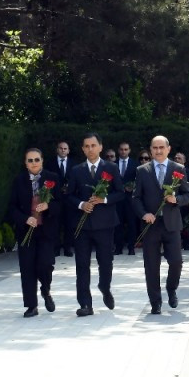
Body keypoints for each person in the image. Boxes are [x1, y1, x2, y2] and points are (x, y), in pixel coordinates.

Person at [132, 136, 189, 313]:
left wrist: (176, 199)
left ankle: (171, 289)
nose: (158, 151)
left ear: (168, 149)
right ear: (150, 150)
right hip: (150, 226)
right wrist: (144, 214)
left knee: (176, 262)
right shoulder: (142, 170)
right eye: (155, 148)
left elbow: (188, 196)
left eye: (161, 147)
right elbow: (136, 198)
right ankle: (155, 302)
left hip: (171, 224)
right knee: (151, 265)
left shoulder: (178, 169)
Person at [67, 133, 124, 317]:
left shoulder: (112, 168)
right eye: (86, 146)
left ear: (100, 146)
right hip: (82, 226)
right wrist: (81, 204)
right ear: (83, 149)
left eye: (93, 145)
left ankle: (105, 287)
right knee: (82, 265)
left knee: (106, 263)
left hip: (105, 224)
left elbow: (121, 193)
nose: (90, 149)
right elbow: (69, 195)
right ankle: (85, 304)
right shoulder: (76, 170)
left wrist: (104, 199)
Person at [9, 148, 61, 317]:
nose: (34, 163)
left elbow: (62, 204)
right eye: (30, 160)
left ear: (42, 160)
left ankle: (45, 291)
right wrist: (25, 218)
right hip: (26, 231)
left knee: (45, 264)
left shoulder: (52, 178)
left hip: (46, 230)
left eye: (36, 159)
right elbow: (12, 207)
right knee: (27, 268)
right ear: (25, 163)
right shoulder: (18, 181)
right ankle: (31, 305)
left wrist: (48, 206)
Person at [44, 141, 74, 257]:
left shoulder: (73, 164)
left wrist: (69, 188)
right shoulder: (50, 164)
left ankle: (67, 248)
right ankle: (56, 248)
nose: (63, 150)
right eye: (61, 148)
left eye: (65, 148)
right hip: (55, 199)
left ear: (68, 150)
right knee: (55, 224)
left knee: (69, 224)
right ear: (57, 149)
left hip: (69, 199)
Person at [114, 141, 138, 255]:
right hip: (117, 199)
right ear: (118, 150)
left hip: (130, 199)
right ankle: (118, 247)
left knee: (131, 223)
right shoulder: (113, 164)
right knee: (117, 223)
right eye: (122, 149)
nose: (123, 151)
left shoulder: (135, 164)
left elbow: (139, 181)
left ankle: (131, 247)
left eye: (126, 149)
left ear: (129, 150)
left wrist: (132, 187)